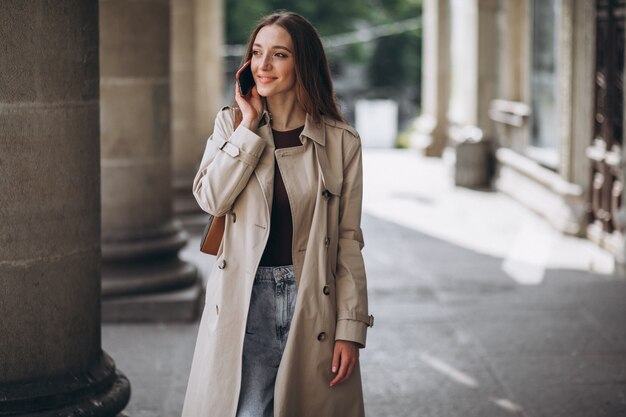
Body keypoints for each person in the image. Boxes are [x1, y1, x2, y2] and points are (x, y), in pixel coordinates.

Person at [182, 11, 373, 417]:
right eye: (256, 53)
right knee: (248, 410)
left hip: (312, 297)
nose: (263, 66)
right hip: (247, 298)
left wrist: (351, 328)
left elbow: (347, 240)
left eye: (279, 54)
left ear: (302, 63)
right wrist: (248, 128)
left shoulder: (341, 142)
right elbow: (211, 198)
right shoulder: (230, 124)